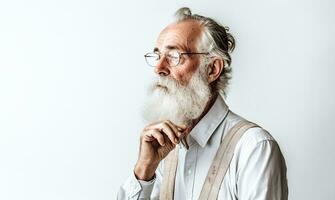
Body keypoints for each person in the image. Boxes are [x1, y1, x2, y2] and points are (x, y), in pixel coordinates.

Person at [117, 7, 288, 200]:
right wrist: (144, 169)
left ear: (212, 69)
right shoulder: (162, 149)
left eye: (174, 56)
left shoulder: (254, 147)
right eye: (157, 56)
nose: (159, 68)